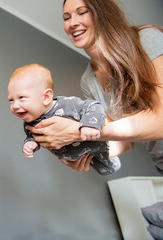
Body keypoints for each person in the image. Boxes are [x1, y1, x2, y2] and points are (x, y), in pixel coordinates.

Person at [26, 0, 163, 173]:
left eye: (82, 12)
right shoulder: (88, 80)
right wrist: (85, 152)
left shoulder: (145, 39)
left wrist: (79, 131)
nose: (72, 23)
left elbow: (161, 120)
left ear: (102, 13)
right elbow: (124, 142)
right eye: (66, 17)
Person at [8, 63, 121, 175]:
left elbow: (94, 106)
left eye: (21, 98)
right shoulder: (29, 124)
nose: (15, 105)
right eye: (11, 100)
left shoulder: (68, 104)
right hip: (80, 156)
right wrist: (30, 144)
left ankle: (112, 152)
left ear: (46, 97)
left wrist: (90, 125)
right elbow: (32, 137)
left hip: (96, 144)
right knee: (101, 170)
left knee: (109, 168)